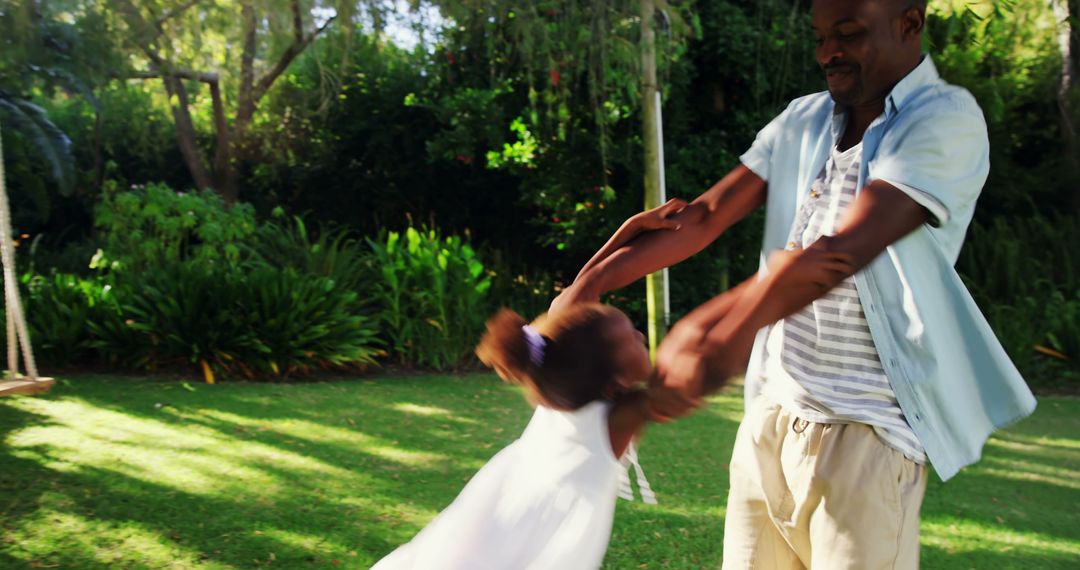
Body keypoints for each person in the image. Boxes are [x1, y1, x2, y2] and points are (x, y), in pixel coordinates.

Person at [552, 0, 1037, 568]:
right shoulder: (803, 118)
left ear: (909, 23)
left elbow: (838, 253)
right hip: (771, 418)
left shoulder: (944, 119)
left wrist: (715, 332)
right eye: (820, 37)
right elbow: (707, 214)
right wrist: (591, 282)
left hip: (868, 437)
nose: (829, 53)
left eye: (849, 34)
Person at [371, 304, 659, 570]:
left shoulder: (559, 375)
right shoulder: (616, 421)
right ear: (613, 382)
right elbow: (686, 373)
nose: (640, 335)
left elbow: (589, 284)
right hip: (523, 543)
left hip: (494, 529)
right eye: (630, 339)